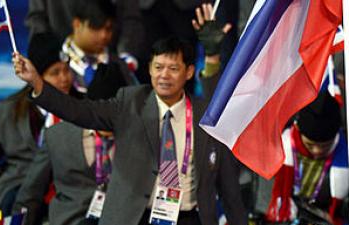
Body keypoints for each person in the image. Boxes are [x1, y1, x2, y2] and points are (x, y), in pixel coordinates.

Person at [12, 37, 246, 225]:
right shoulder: (130, 103)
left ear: (188, 72)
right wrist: (38, 84)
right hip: (138, 217)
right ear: (150, 70)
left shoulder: (204, 115)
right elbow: (79, 111)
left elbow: (228, 187)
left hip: (189, 216)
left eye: (173, 68)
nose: (164, 75)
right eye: (158, 67)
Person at [0, 37, 78, 225]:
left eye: (67, 70)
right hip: (16, 191)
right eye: (55, 72)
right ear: (37, 75)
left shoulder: (82, 109)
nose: (64, 78)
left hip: (66, 192)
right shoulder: (6, 112)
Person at [11, 47, 131, 225]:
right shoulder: (58, 137)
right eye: (102, 117)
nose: (108, 123)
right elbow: (30, 194)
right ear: (92, 111)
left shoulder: (140, 137)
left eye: (113, 116)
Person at [255, 93, 349, 224]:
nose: (317, 151)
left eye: (325, 146)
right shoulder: (276, 152)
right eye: (310, 145)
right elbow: (263, 202)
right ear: (298, 130)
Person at [59, 0, 139, 93]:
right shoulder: (58, 63)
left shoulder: (119, 65)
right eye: (96, 27)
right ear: (77, 24)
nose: (104, 35)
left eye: (108, 28)